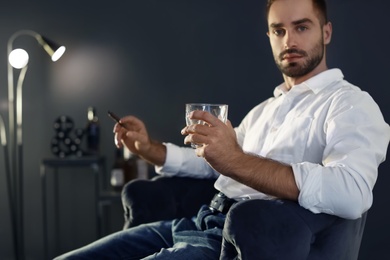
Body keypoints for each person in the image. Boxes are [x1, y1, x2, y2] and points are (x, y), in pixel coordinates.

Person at [55, 0, 390, 259]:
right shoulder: (265, 110)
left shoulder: (349, 104)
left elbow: (352, 192)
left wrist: (236, 160)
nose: (289, 40)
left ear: (326, 32)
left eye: (302, 27)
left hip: (233, 243)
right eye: (278, 30)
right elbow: (214, 162)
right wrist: (149, 148)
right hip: (197, 222)